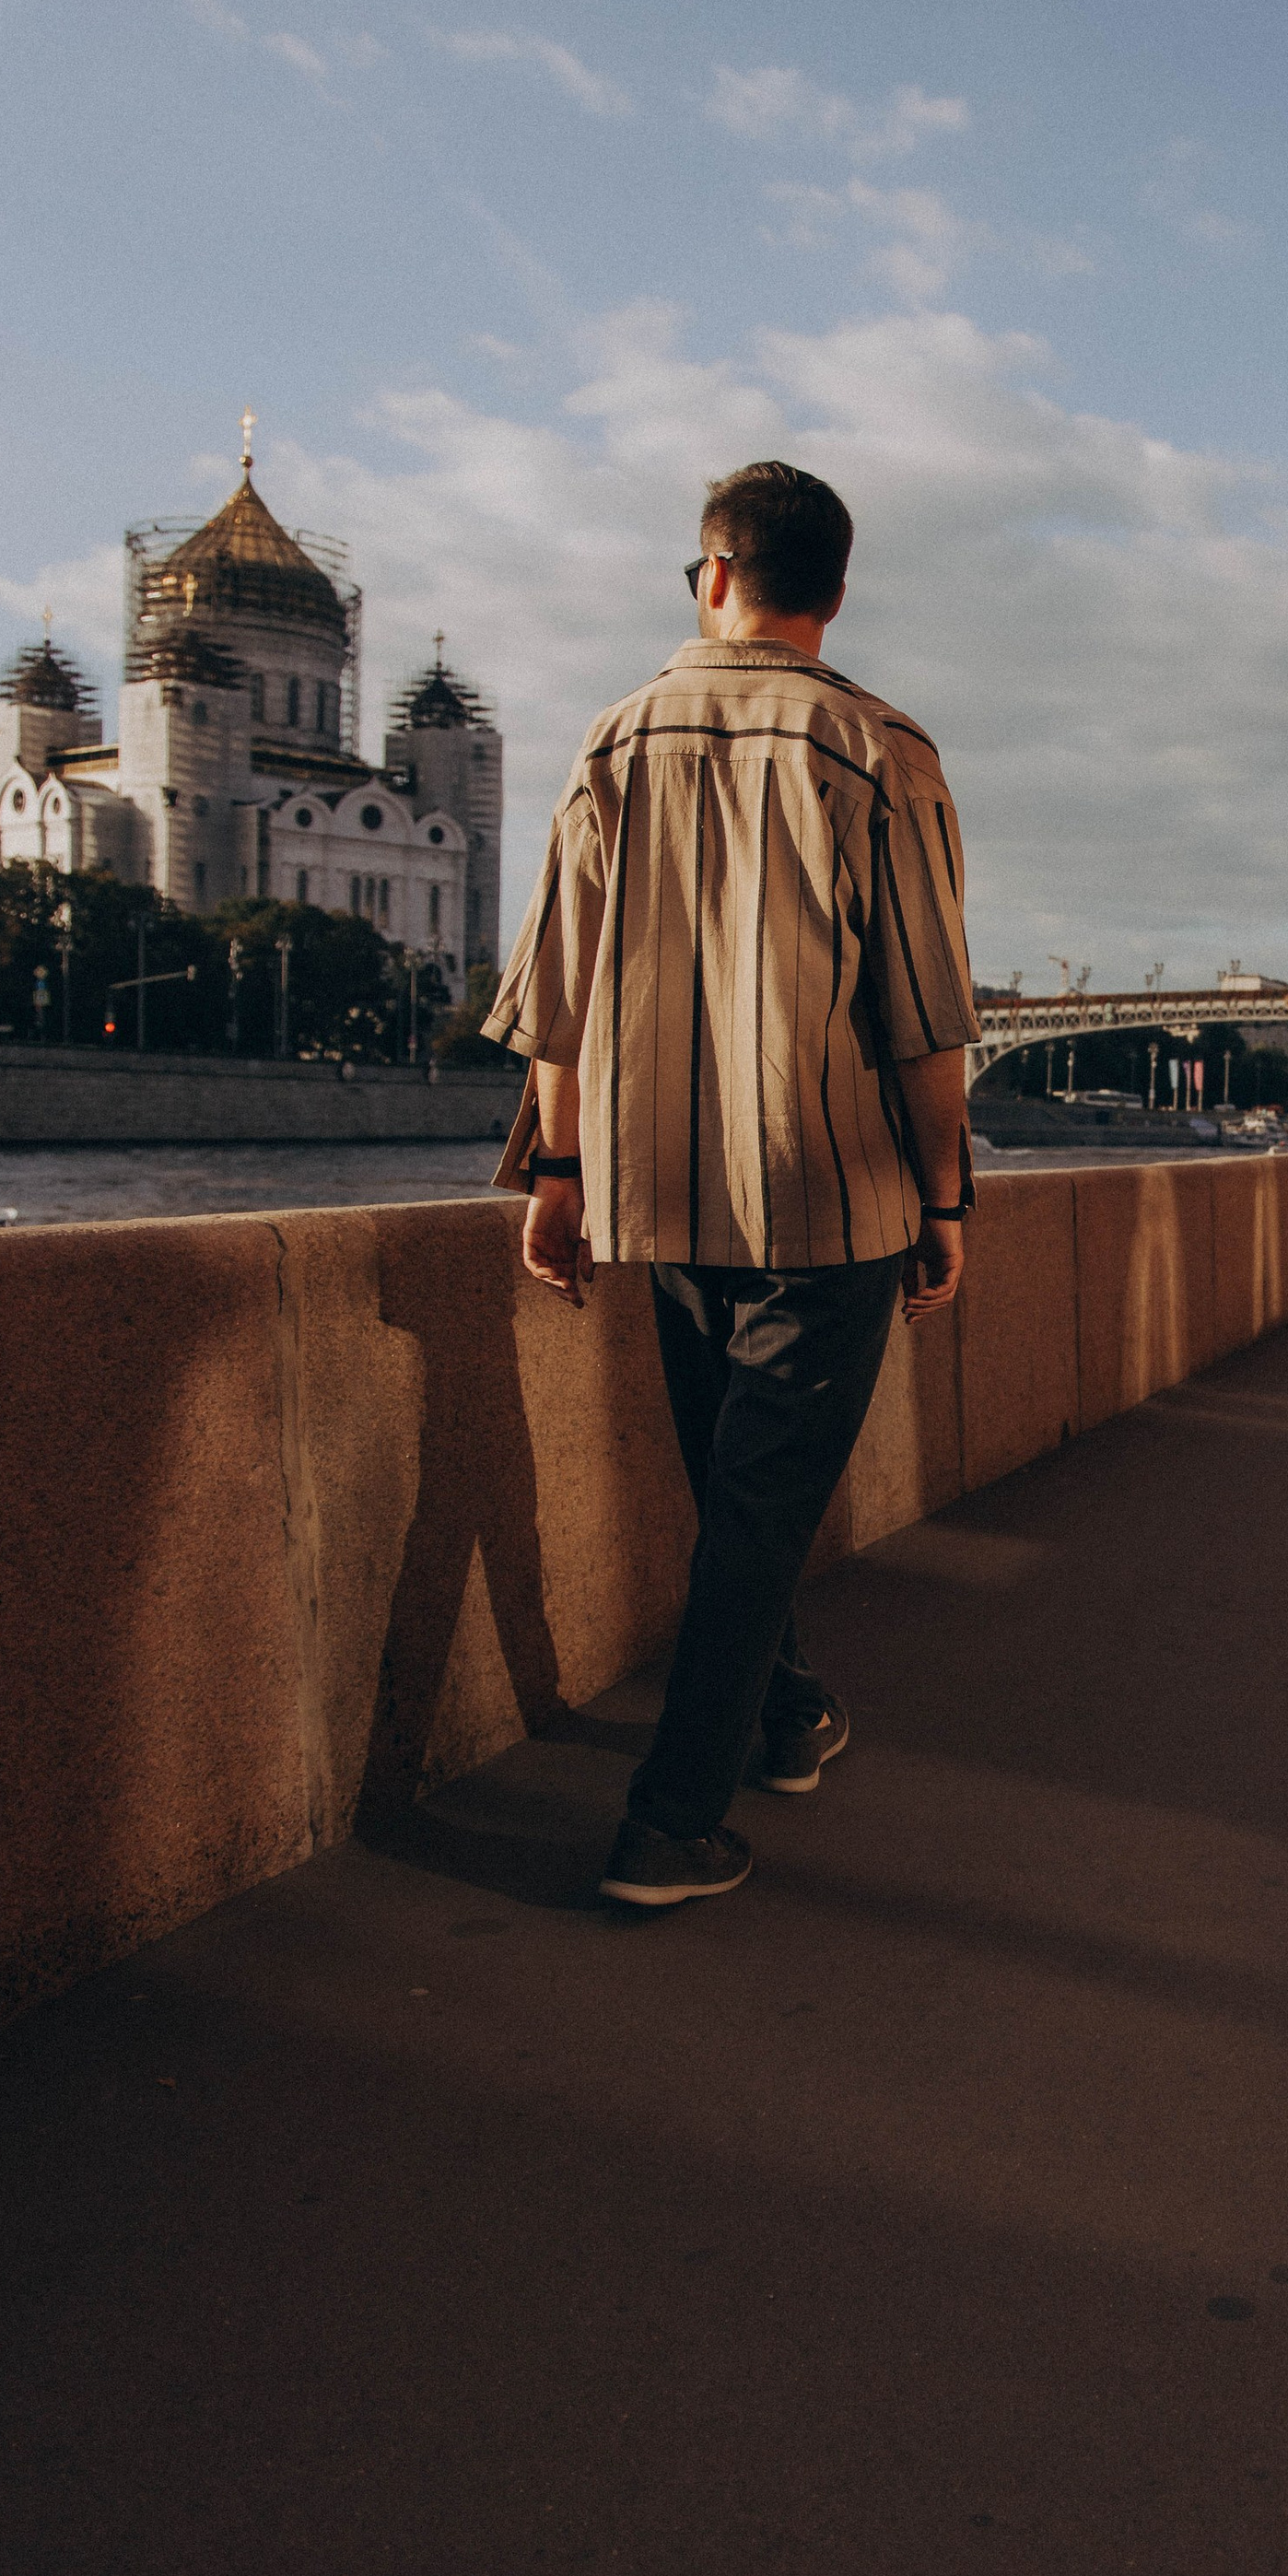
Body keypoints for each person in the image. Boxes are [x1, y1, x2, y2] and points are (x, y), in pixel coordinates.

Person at [485, 459, 978, 1910]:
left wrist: (559, 1174)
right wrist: (946, 1203)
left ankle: (788, 1716)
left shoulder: (613, 742)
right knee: (759, 1506)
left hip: (660, 1185)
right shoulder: (882, 749)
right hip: (828, 1194)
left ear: (711, 578)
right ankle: (669, 1823)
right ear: (832, 594)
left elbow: (559, 1000)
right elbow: (930, 1021)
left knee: (735, 1492)